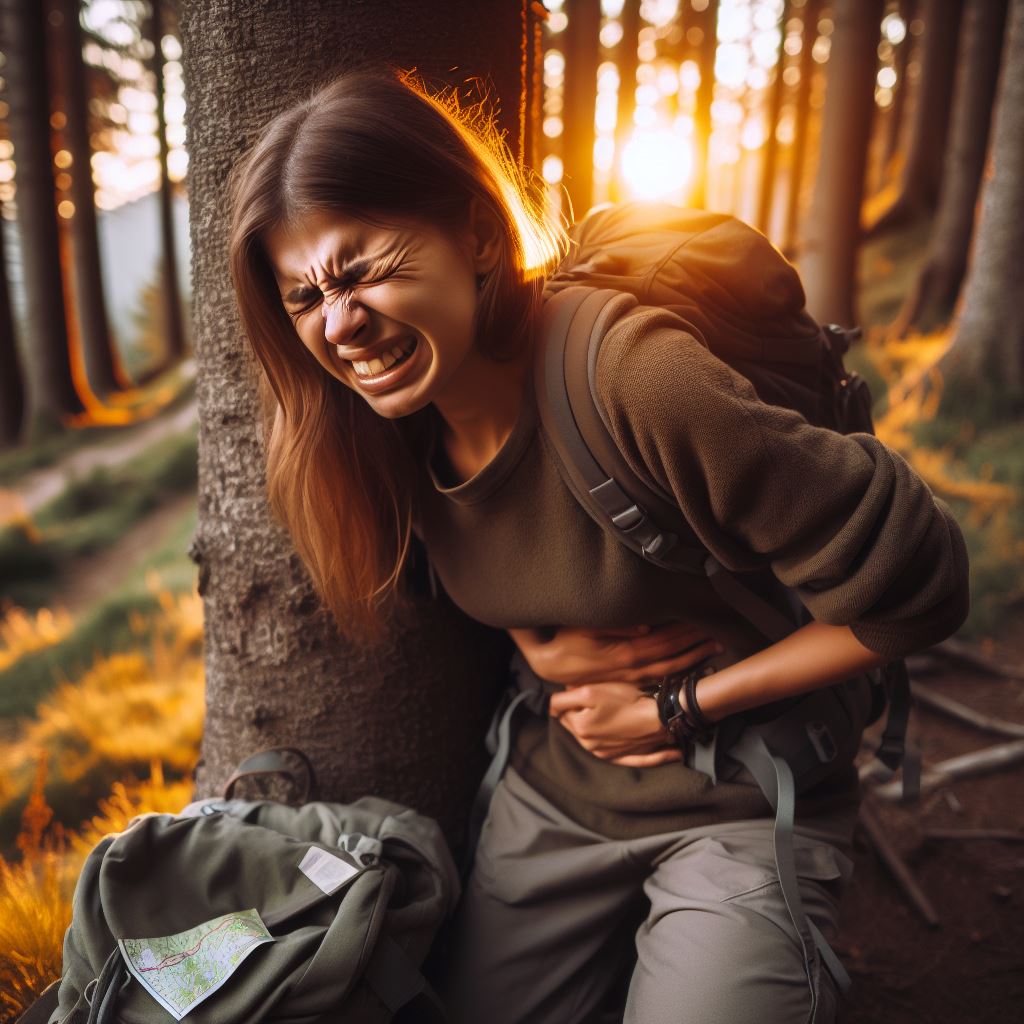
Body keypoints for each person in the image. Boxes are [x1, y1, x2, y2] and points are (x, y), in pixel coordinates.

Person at [228, 68, 970, 1024]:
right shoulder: (371, 436)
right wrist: (540, 647)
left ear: (480, 235)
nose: (339, 323)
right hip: (554, 801)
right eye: (302, 297)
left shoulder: (635, 378)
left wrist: (680, 707)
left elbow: (925, 585)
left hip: (742, 797)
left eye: (362, 267)